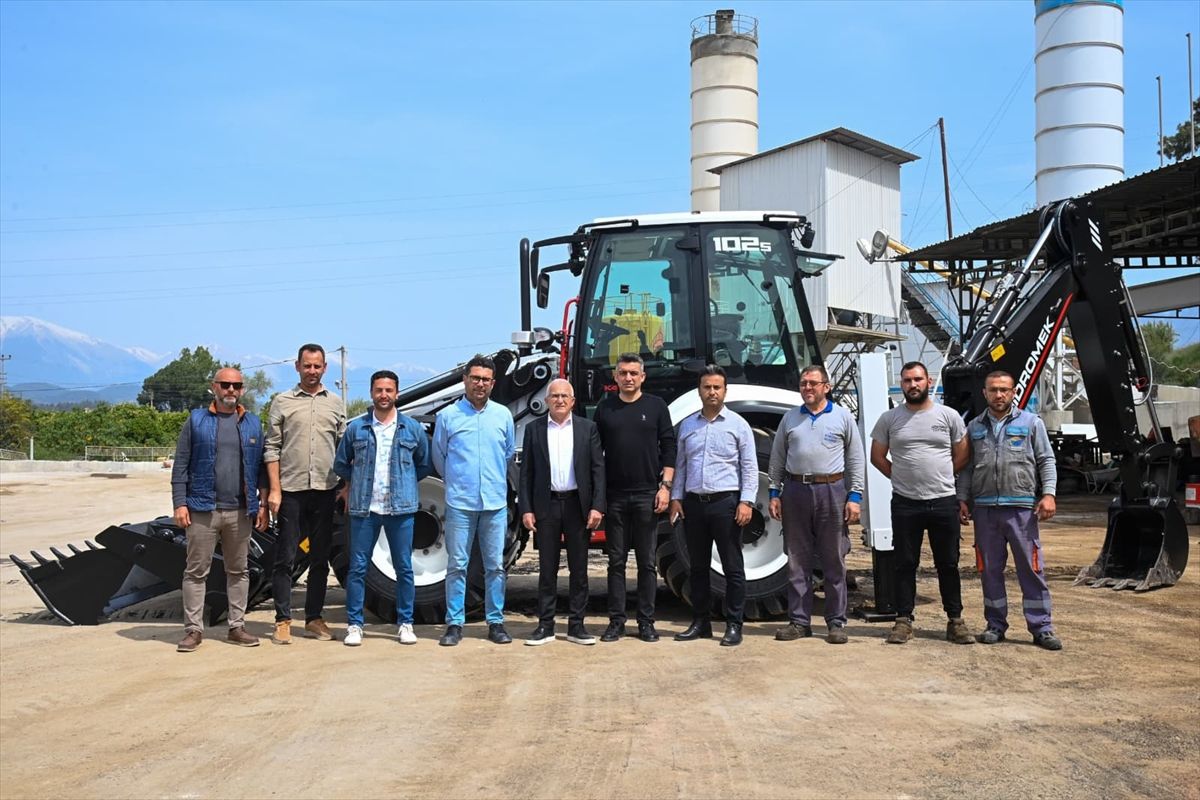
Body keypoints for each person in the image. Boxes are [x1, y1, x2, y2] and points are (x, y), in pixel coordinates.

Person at [869, 361, 974, 645]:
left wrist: (943, 475)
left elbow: (963, 454)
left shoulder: (948, 416)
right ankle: (903, 620)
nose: (912, 385)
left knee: (948, 563)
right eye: (907, 380)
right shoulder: (889, 419)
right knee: (904, 564)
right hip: (906, 503)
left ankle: (955, 621)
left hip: (943, 502)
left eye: (917, 379)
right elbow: (877, 456)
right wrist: (900, 476)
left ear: (928, 381)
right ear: (901, 384)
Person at [957, 370, 1063, 650]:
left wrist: (1049, 494)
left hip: (1022, 510)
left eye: (1004, 389)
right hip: (985, 511)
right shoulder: (974, 427)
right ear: (985, 393)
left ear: (1014, 392)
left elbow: (1046, 460)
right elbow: (967, 468)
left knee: (1031, 568)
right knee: (989, 570)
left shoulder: (1031, 423)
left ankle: (1042, 628)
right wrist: (962, 498)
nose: (999, 395)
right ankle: (995, 624)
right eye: (993, 390)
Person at [171, 368, 268, 652]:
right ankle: (193, 630)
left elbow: (261, 468)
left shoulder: (252, 423)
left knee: (239, 571)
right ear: (214, 387)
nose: (231, 390)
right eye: (225, 385)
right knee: (196, 571)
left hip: (240, 511)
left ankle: (237, 627)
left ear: (242, 389)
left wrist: (262, 504)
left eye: (236, 385)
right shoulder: (196, 420)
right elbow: (181, 464)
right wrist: (180, 503)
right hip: (203, 509)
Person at [333, 370, 432, 647]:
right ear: (371, 393)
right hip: (365, 510)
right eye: (379, 390)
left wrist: (405, 484)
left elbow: (423, 464)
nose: (384, 395)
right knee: (358, 568)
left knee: (404, 568)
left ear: (397, 393)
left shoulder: (411, 428)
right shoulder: (357, 429)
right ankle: (355, 625)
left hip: (400, 510)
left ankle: (405, 623)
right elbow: (340, 463)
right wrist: (355, 481)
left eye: (389, 390)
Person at [767, 365, 864, 645]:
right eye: (803, 383)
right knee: (797, 560)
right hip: (795, 490)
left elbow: (855, 459)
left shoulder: (843, 417)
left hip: (832, 490)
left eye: (813, 383)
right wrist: (774, 492)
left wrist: (854, 497)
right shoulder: (790, 418)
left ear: (826, 387)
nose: (807, 388)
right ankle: (799, 622)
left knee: (834, 558)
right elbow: (777, 458)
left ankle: (836, 622)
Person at [668, 365, 757, 646]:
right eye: (707, 387)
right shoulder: (688, 425)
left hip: (725, 504)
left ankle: (734, 624)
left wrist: (746, 501)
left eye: (717, 387)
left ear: (725, 391)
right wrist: (676, 498)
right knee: (697, 568)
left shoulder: (738, 425)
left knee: (732, 567)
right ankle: (700, 622)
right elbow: (681, 465)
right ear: (699, 391)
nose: (712, 392)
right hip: (694, 505)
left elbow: (750, 467)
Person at [264, 343, 346, 645]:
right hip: (291, 491)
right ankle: (282, 620)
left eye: (317, 366)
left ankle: (313, 619)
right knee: (285, 558)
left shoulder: (335, 403)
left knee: (320, 558)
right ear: (297, 366)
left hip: (325, 491)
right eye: (307, 365)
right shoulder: (282, 402)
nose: (312, 371)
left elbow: (343, 448)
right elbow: (272, 448)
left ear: (325, 368)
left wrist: (345, 486)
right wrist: (274, 489)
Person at [433, 354, 516, 646]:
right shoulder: (448, 417)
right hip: (460, 504)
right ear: (465, 380)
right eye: (475, 378)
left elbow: (507, 453)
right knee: (457, 565)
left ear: (493, 383)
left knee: (495, 566)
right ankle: (454, 624)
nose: (480, 384)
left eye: (486, 380)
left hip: (494, 504)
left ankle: (496, 622)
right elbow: (440, 456)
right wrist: (458, 483)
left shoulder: (503, 416)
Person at [593, 353, 676, 643]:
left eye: (633, 373)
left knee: (647, 563)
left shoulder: (656, 406)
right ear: (615, 377)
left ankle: (646, 622)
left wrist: (665, 487)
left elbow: (669, 447)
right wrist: (598, 498)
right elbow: (596, 456)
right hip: (615, 496)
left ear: (643, 377)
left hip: (647, 495)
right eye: (623, 373)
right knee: (616, 562)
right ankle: (616, 622)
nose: (628, 378)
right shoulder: (605, 409)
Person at [518, 379, 606, 646]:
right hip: (547, 506)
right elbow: (526, 473)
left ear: (573, 401)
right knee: (547, 569)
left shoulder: (587, 428)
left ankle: (577, 626)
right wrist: (526, 509)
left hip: (577, 505)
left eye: (564, 396)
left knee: (579, 569)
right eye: (554, 396)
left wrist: (597, 506)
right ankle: (545, 625)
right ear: (546, 401)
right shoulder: (534, 429)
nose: (559, 400)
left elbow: (598, 470)